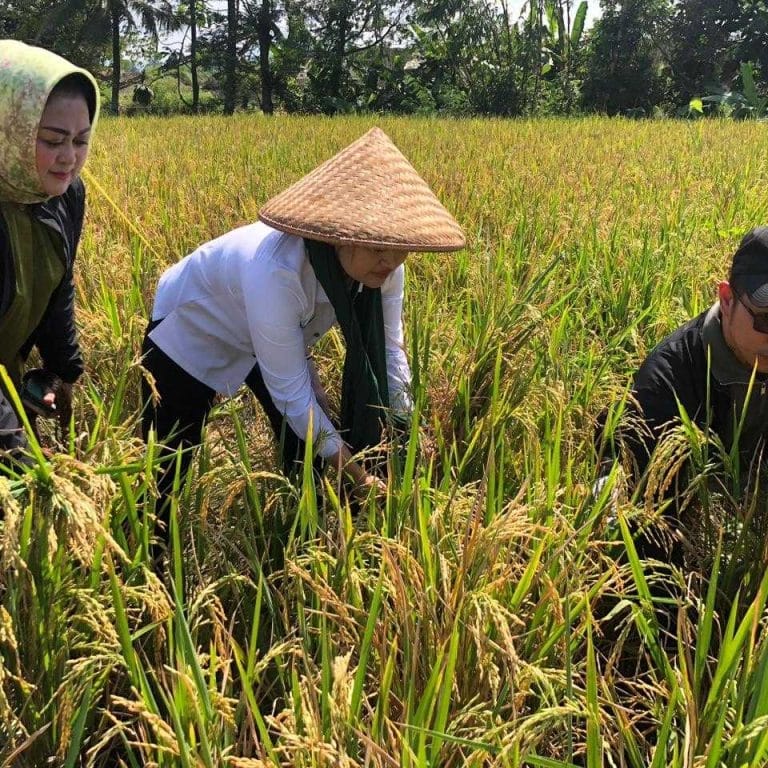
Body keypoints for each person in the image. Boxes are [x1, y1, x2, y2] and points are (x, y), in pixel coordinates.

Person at [141, 127, 465, 548]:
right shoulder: (274, 270)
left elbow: (389, 349)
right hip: (193, 330)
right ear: (337, 236)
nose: (391, 258)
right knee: (170, 458)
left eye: (399, 246)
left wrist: (401, 425)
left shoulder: (385, 264)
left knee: (305, 446)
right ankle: (150, 553)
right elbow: (292, 394)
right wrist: (357, 474)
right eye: (377, 246)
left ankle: (296, 535)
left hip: (275, 333)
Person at [0, 40, 100, 462]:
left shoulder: (65, 195)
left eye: (81, 140)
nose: (69, 158)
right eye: (53, 140)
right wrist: (16, 450)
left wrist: (65, 372)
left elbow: (59, 283)